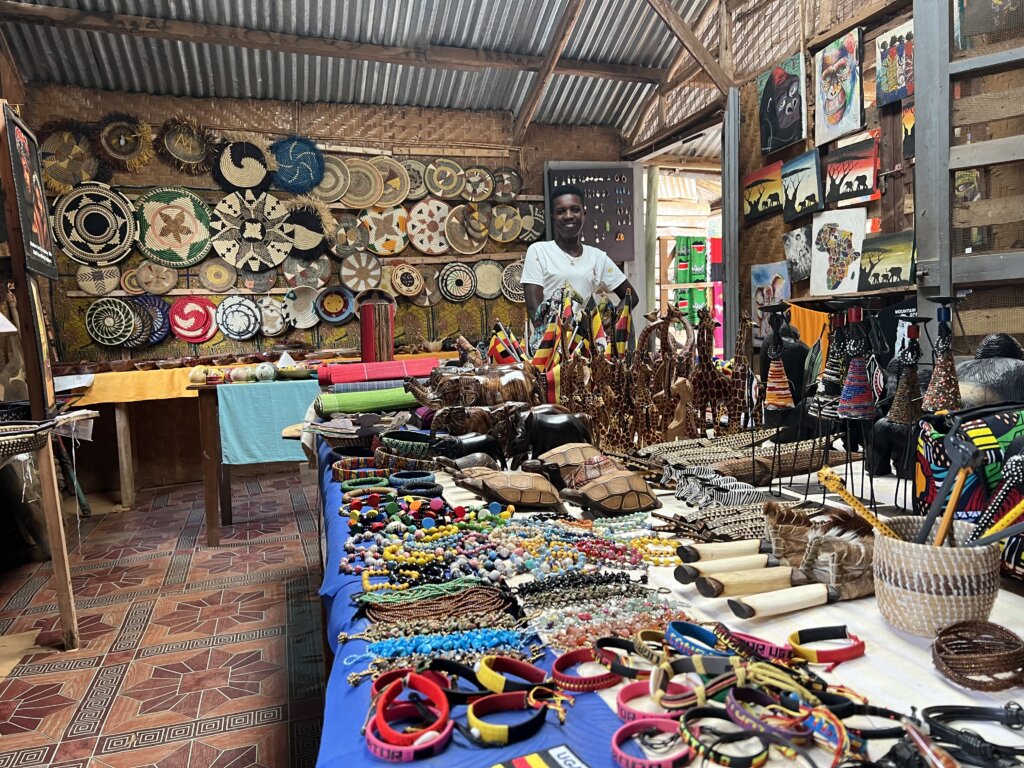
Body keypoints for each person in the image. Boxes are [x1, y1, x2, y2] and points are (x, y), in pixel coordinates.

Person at [520, 184, 636, 328]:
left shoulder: (597, 257)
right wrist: (550, 340)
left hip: (584, 345)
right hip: (548, 344)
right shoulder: (539, 251)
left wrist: (604, 325)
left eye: (575, 210)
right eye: (561, 211)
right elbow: (534, 310)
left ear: (584, 214)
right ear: (553, 217)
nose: (568, 216)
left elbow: (631, 297)